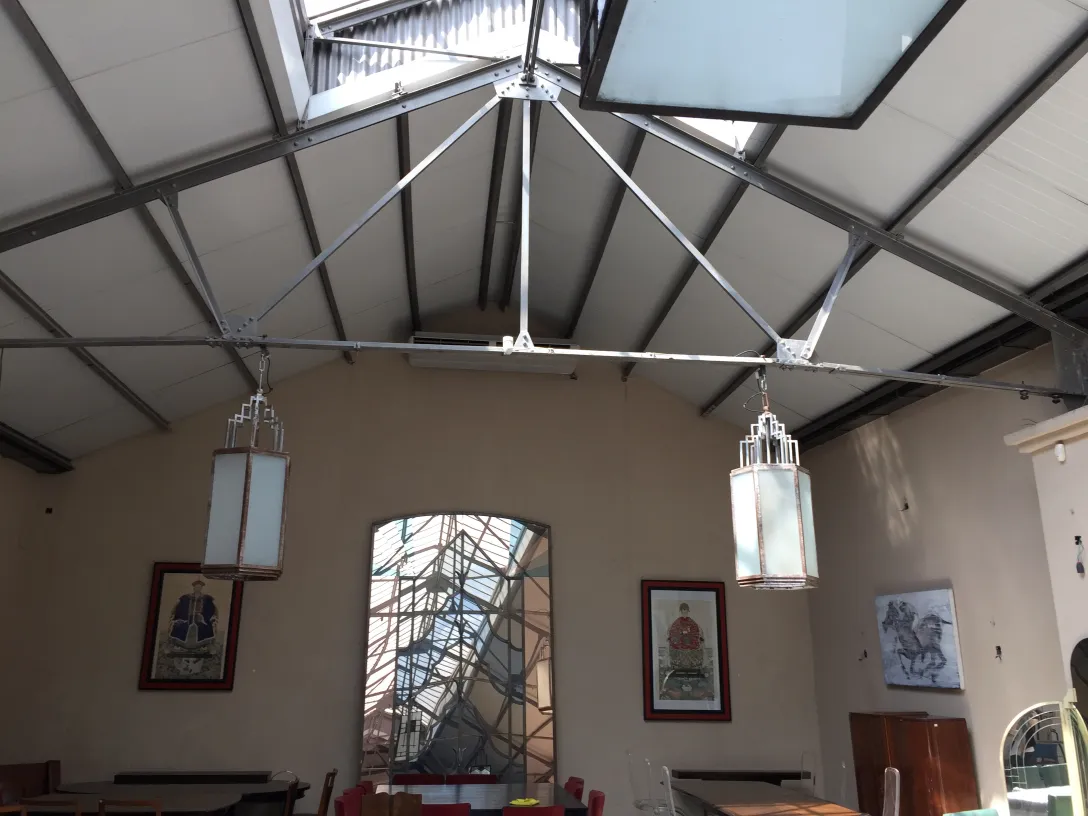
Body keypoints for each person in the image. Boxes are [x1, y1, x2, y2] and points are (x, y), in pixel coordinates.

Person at [168, 579, 219, 648]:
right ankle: (176, 644)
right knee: (179, 625)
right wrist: (179, 617)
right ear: (194, 587)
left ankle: (206, 645)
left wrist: (204, 617)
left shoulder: (207, 598)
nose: (198, 588)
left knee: (206, 627)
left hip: (201, 618)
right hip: (186, 617)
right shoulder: (185, 597)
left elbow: (211, 609)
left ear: (201, 588)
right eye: (196, 587)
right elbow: (179, 607)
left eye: (199, 587)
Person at [667, 602, 705, 673]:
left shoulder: (691, 621)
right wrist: (681, 632)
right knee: (678, 642)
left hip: (690, 639)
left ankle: (692, 666)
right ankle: (678, 666)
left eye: (686, 610)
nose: (684, 611)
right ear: (681, 611)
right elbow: (674, 630)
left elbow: (695, 630)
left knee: (692, 643)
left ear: (688, 611)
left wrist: (688, 632)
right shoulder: (677, 621)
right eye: (683, 610)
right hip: (680, 640)